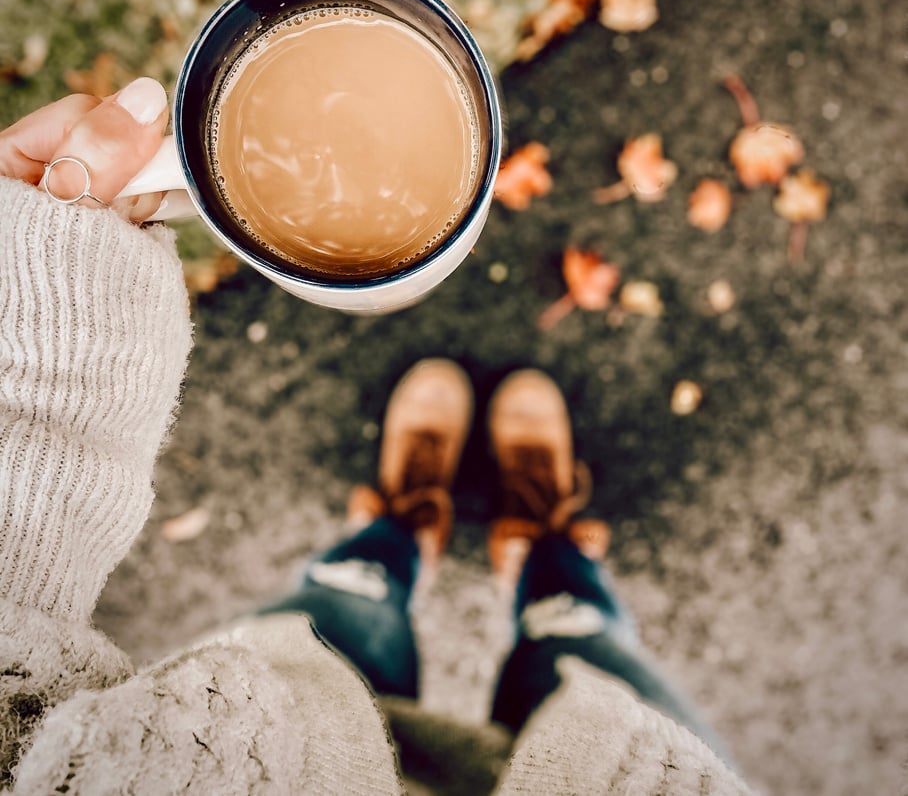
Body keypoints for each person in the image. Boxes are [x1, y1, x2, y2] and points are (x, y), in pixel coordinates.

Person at [0, 79, 754, 794]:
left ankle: (398, 531)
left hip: (273, 748)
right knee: (585, 649)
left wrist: (39, 401)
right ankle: (542, 550)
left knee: (341, 613)